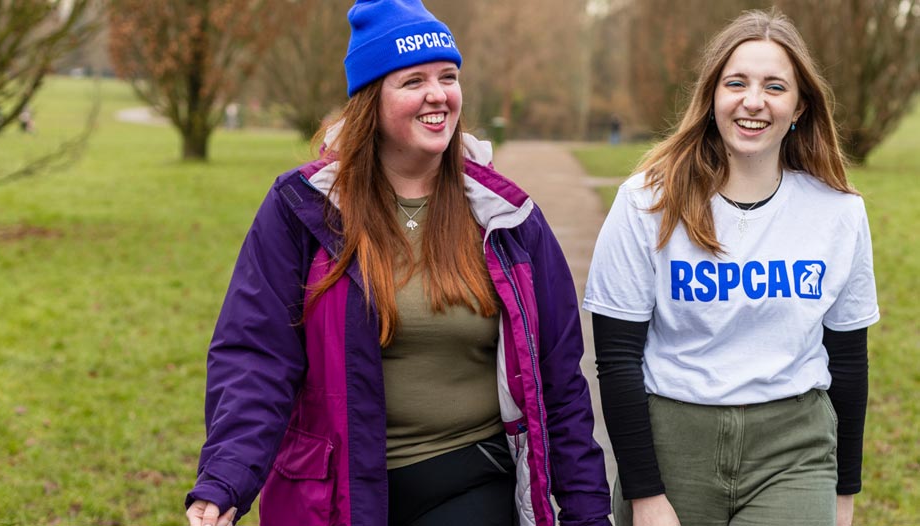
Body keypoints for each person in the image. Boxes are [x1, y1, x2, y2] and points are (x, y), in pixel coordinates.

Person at [184, 1, 612, 525]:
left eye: (448, 76)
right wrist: (227, 478)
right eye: (413, 81)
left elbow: (559, 381)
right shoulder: (303, 208)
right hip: (336, 491)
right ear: (371, 100)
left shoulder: (508, 219)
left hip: (470, 475)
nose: (438, 94)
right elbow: (257, 354)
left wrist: (588, 512)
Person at [583, 9, 877, 526]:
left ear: (800, 106)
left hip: (794, 448)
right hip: (674, 444)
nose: (753, 101)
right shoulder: (645, 202)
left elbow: (849, 362)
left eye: (775, 87)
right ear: (712, 96)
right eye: (735, 82)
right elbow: (617, 357)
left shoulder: (838, 211)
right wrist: (645, 495)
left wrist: (843, 494)